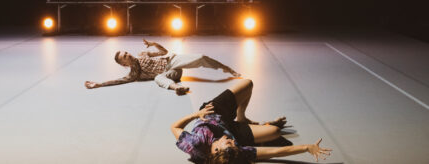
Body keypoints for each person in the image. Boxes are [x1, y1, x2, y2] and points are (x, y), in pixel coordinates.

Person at [171, 79, 332, 163]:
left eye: (229, 143)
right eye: (234, 145)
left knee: (247, 84)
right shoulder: (235, 152)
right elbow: (276, 152)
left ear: (216, 151)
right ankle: (244, 123)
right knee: (275, 132)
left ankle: (242, 116)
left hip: (211, 113)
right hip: (229, 127)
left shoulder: (196, 144)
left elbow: (174, 126)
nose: (233, 143)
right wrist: (307, 147)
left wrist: (196, 114)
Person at [84, 39, 240, 95]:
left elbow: (164, 52)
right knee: (158, 78)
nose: (128, 55)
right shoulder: (133, 74)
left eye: (126, 53)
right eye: (125, 57)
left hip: (172, 61)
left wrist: (153, 44)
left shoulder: (142, 54)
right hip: (171, 75)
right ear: (124, 64)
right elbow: (117, 81)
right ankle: (177, 89)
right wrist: (98, 84)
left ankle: (227, 69)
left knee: (200, 57)